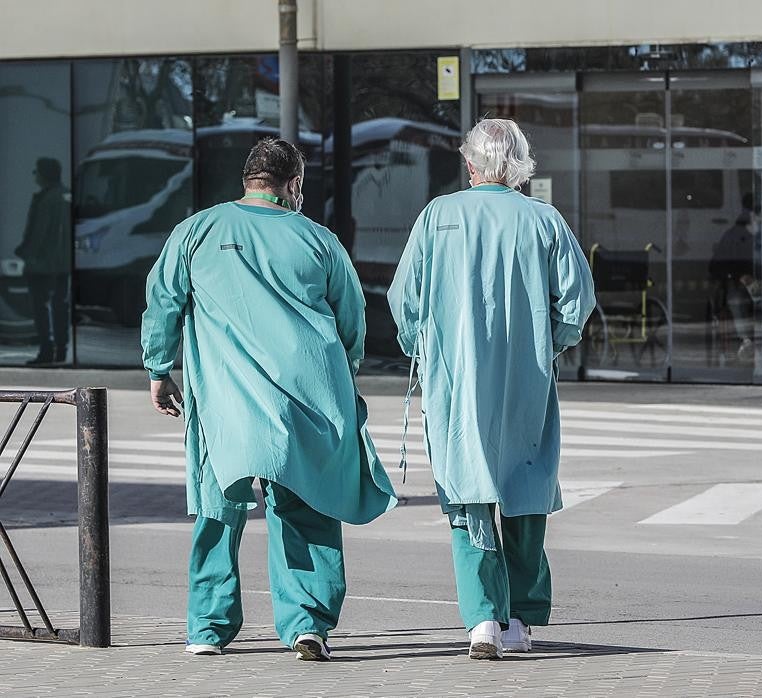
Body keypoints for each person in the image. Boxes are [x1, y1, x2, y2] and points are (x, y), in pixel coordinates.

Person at [141, 137, 397, 662]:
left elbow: (163, 301)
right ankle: (308, 625)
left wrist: (158, 369)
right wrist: (345, 376)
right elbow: (351, 324)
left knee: (218, 512)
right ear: (294, 184)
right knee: (306, 510)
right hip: (305, 401)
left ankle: (206, 630)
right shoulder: (319, 241)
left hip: (224, 404)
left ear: (248, 180)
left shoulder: (197, 231)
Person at [388, 119, 595, 660]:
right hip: (526, 380)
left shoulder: (438, 217)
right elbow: (577, 302)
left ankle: (481, 619)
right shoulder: (544, 221)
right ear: (521, 166)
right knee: (526, 493)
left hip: (456, 381)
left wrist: (424, 348)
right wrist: (550, 345)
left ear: (471, 164)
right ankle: (521, 621)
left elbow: (403, 299)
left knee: (467, 496)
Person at [709, 194, 762, 362]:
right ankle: (746, 342)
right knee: (735, 298)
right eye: (758, 212)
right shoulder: (732, 236)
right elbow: (715, 265)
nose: (761, 216)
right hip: (740, 289)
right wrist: (738, 276)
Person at [18, 158, 71, 365]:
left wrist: (24, 251)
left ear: (44, 174)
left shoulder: (46, 199)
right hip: (63, 264)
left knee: (41, 308)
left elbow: (39, 233)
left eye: (36, 171)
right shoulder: (66, 196)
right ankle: (61, 348)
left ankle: (46, 350)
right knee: (60, 306)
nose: (34, 175)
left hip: (42, 265)